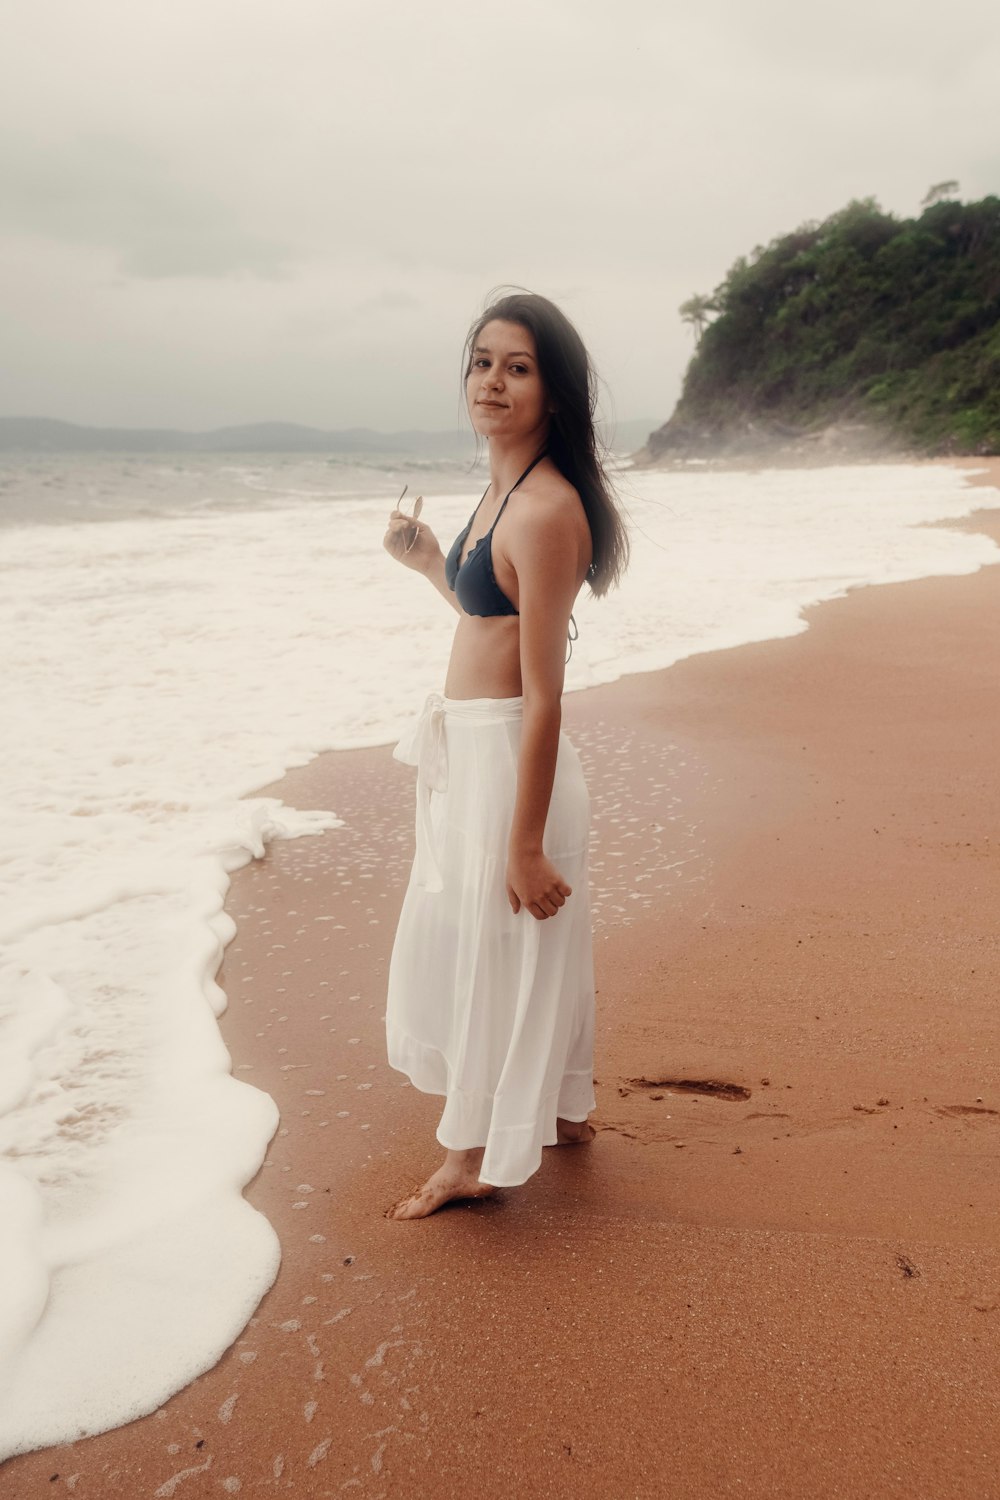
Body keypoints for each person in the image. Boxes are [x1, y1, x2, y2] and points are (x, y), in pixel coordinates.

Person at [381, 290, 629, 1220]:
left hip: (514, 764)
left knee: (491, 951)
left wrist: (525, 844)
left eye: (518, 368)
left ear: (552, 394)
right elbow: (493, 623)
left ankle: (469, 1155)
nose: (493, 381)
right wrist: (433, 566)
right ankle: (564, 1108)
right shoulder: (501, 492)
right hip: (483, 755)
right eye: (483, 362)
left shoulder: (545, 510)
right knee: (521, 946)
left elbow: (546, 692)